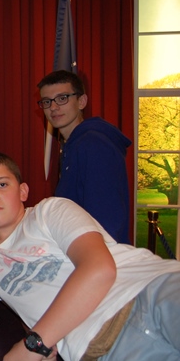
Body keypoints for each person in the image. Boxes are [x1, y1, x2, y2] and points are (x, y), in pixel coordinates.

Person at [0, 150, 180, 361]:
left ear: (23, 191)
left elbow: (99, 269)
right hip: (103, 349)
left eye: (2, 184)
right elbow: (22, 303)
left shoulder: (50, 211)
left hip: (149, 291)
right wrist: (45, 350)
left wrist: (35, 344)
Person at [37, 70, 132, 244]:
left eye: (62, 98)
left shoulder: (94, 144)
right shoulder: (74, 145)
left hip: (98, 252)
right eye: (46, 101)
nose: (53, 107)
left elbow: (106, 219)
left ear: (81, 101)